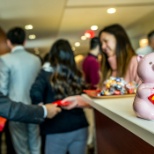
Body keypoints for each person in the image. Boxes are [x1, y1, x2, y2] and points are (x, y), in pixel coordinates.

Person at [62, 24, 141, 108]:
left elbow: (143, 96)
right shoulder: (106, 67)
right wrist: (78, 100)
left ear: (119, 40)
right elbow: (101, 98)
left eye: (106, 41)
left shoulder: (136, 62)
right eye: (101, 43)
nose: (103, 47)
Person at [30, 39, 89, 154]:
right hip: (79, 126)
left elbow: (34, 92)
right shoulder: (76, 74)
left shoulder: (46, 73)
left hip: (55, 128)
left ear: (53, 56)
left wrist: (42, 108)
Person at [0, 27, 41, 154]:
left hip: (16, 109)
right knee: (35, 143)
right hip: (34, 108)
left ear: (8, 42)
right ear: (24, 42)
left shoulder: (5, 59)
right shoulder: (36, 60)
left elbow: (2, 89)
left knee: (21, 147)